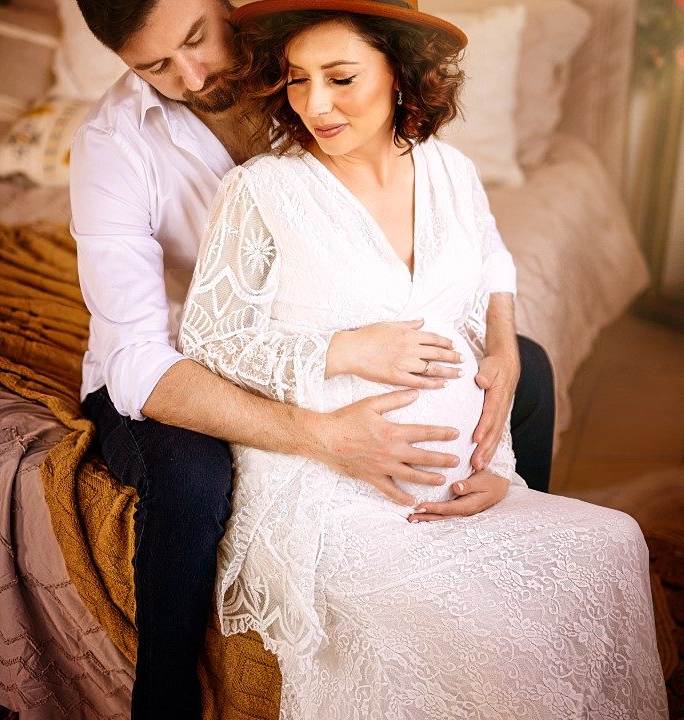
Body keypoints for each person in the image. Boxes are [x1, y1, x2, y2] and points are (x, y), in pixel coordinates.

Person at [176, 1, 668, 718]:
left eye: (341, 78)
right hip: (325, 490)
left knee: (616, 542)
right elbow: (208, 340)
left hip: (456, 477)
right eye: (297, 79)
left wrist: (498, 452)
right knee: (510, 647)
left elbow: (488, 266)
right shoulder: (262, 191)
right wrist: (344, 349)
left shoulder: (450, 173)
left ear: (399, 72)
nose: (315, 104)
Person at [71, 0, 554, 716]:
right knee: (195, 478)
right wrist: (322, 437)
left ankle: (510, 546)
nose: (193, 76)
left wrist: (503, 338)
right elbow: (138, 358)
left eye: (197, 39)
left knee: (531, 370)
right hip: (179, 368)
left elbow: (471, 227)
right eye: (156, 67)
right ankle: (164, 697)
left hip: (318, 329)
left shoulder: (307, 74)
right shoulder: (114, 145)